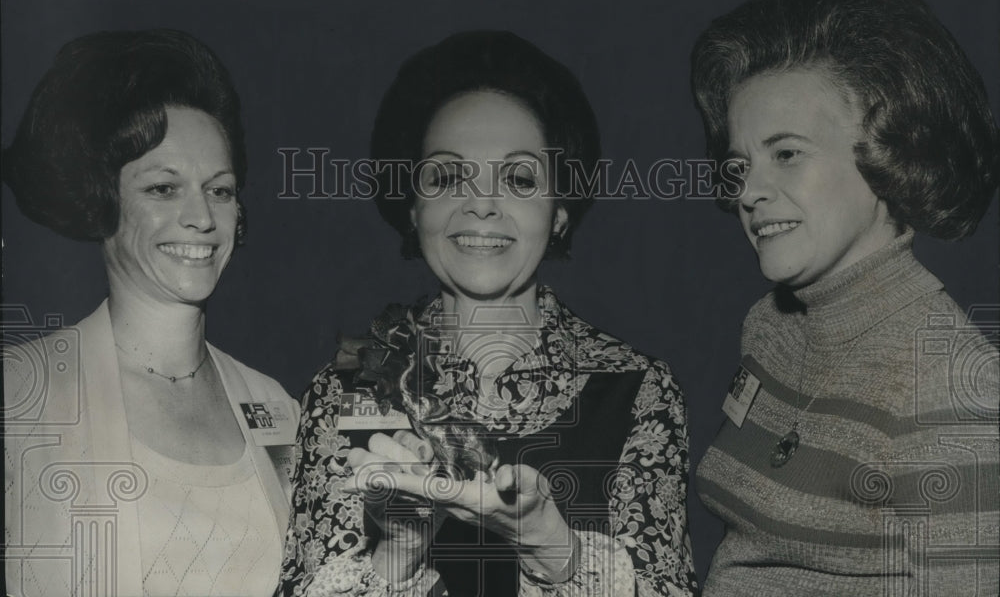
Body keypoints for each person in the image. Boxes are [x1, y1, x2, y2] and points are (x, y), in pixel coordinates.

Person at [277, 30, 697, 596]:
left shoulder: (637, 389)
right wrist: (397, 555)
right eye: (447, 176)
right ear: (412, 205)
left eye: (520, 178)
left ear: (560, 212)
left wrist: (556, 552)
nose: (482, 203)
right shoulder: (344, 391)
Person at [690, 0, 1000, 595]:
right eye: (741, 164)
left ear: (888, 152)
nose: (749, 191)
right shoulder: (771, 326)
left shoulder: (955, 385)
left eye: (786, 154)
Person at [3, 30, 298, 597]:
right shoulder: (20, 393)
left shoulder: (276, 407)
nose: (202, 218)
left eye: (221, 190)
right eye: (164, 189)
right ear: (101, 199)